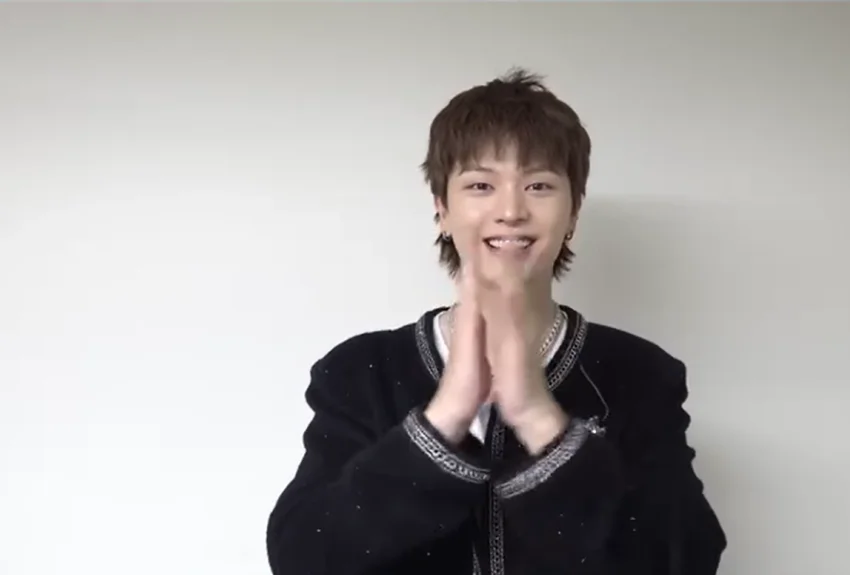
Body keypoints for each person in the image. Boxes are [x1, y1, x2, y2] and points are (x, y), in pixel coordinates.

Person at [265, 68, 727, 575]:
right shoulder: (360, 370)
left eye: (539, 185)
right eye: (481, 185)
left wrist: (537, 416)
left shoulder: (639, 373)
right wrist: (447, 416)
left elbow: (685, 561)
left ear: (573, 213)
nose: (511, 210)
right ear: (442, 208)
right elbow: (301, 558)